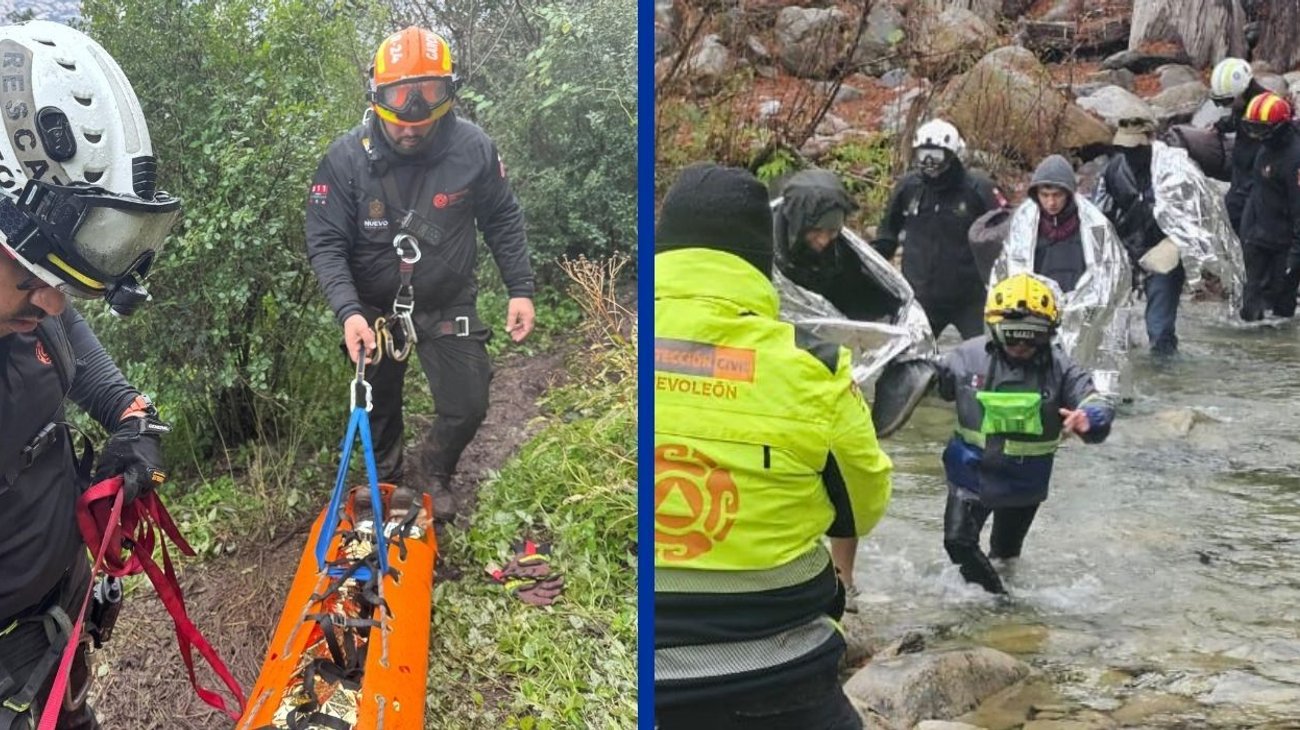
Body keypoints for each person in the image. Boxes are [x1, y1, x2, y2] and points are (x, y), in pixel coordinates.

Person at [654, 163, 892, 729]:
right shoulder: (815, 367)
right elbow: (862, 507)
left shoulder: (618, 339)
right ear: (761, 261)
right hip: (780, 672)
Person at [0, 20, 182, 729]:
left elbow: (68, 339)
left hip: (58, 621)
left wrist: (130, 417)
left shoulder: (24, 311)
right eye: (31, 279)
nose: (52, 303)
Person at [306, 26, 536, 522]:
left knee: (469, 402)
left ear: (446, 99)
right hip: (372, 310)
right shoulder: (344, 160)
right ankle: (387, 477)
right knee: (378, 405)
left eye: (424, 116)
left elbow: (501, 217)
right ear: (377, 99)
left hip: (446, 300)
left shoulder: (473, 148)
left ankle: (435, 469)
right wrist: (348, 312)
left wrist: (520, 288)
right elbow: (326, 243)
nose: (410, 128)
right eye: (398, 119)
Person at [935, 273, 1114, 595]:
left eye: (1032, 338)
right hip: (970, 473)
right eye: (1012, 337)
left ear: (1049, 333)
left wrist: (1090, 417)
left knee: (1005, 555)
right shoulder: (965, 357)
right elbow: (931, 384)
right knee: (957, 542)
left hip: (1024, 483)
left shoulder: (1061, 368)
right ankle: (1001, 604)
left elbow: (1095, 400)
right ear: (994, 329)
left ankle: (1003, 603)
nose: (1021, 346)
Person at [872, 119, 1007, 340]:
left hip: (970, 298)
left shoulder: (979, 188)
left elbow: (1004, 234)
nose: (928, 162)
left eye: (936, 155)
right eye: (922, 154)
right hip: (921, 298)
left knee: (987, 352)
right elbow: (887, 235)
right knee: (910, 355)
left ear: (952, 154)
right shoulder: (908, 187)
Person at [1095, 116, 1184, 358]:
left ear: (1150, 140)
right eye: (1124, 148)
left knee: (1159, 328)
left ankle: (1165, 372)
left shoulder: (1175, 168)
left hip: (1165, 251)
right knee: (1113, 326)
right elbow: (1098, 216)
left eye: (1135, 147)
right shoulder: (1112, 171)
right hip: (1125, 250)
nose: (1129, 153)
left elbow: (1194, 214)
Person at [773, 168, 903, 321]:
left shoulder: (840, 253)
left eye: (832, 231)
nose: (823, 240)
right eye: (816, 231)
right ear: (798, 224)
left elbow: (858, 294)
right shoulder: (767, 250)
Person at [1238, 92, 1300, 321]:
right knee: (1250, 310)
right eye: (1252, 129)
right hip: (1257, 238)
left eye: (1261, 130)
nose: (1256, 136)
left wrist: (1295, 257)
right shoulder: (1265, 148)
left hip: (1285, 246)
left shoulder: (1295, 159)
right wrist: (1246, 232)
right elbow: (1256, 191)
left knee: (1281, 312)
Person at [1210, 57, 1272, 235]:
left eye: (1226, 101)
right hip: (1240, 176)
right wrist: (1221, 125)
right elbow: (1236, 119)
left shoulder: (1267, 110)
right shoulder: (1243, 103)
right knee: (1229, 219)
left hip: (1258, 181)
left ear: (1241, 91)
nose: (1225, 107)